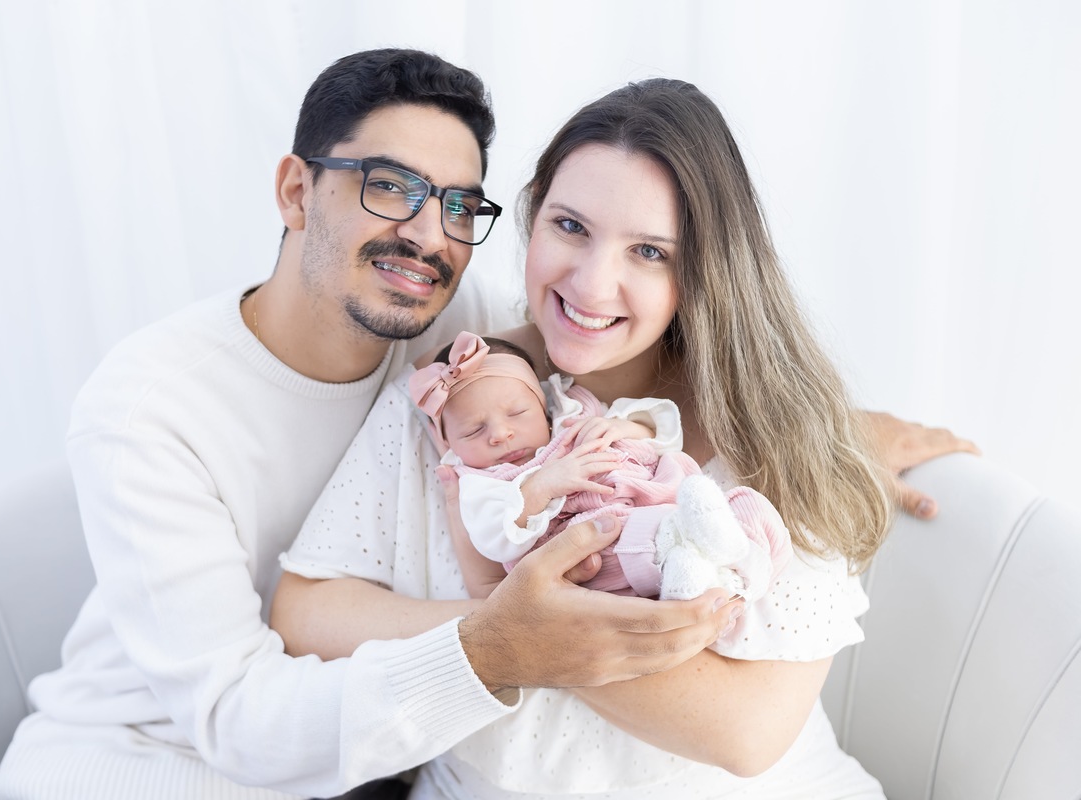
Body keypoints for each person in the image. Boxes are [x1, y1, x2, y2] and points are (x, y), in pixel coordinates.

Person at [0, 49, 752, 800]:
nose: (428, 236)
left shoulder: (460, 325)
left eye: (458, 205)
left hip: (366, 761)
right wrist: (496, 645)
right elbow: (235, 720)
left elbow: (624, 356)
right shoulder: (150, 408)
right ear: (296, 191)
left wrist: (849, 434)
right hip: (153, 759)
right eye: (389, 187)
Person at [273, 77, 942, 798]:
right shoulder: (465, 391)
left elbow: (747, 734)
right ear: (533, 216)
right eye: (570, 226)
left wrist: (532, 632)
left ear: (705, 269)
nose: (591, 286)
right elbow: (307, 610)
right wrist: (500, 632)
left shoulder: (779, 432)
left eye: (649, 252)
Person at [408, 330, 792, 606]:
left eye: (517, 412)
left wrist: (625, 426)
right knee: (647, 546)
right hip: (614, 541)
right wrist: (542, 486)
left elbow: (663, 430)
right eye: (474, 430)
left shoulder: (573, 413)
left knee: (745, 504)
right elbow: (494, 537)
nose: (500, 434)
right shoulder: (483, 483)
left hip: (668, 493)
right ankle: (694, 572)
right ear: (450, 446)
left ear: (543, 404)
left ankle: (745, 559)